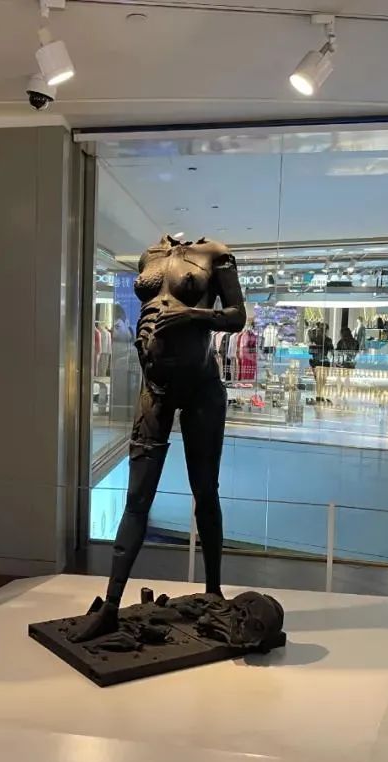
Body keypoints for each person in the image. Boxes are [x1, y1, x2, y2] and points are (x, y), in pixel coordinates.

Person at [70, 235, 246, 642]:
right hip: (155, 387)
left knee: (205, 492)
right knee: (136, 499)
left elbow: (237, 317)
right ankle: (111, 605)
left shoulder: (215, 254)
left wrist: (191, 315)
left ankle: (213, 591)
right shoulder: (149, 255)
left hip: (201, 387)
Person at [307, 321, 333, 403]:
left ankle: (319, 395)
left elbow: (310, 351)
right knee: (321, 380)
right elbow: (332, 351)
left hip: (318, 362)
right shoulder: (326, 340)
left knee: (319, 380)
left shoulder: (316, 340)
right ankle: (319, 395)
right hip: (321, 362)